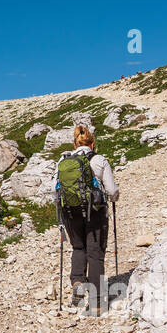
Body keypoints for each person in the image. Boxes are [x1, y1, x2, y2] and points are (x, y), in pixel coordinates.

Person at [56, 126, 119, 312]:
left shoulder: (63, 159)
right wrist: (113, 198)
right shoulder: (99, 160)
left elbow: (55, 189)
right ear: (93, 144)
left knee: (78, 247)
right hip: (95, 212)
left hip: (70, 212)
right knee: (95, 253)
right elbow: (112, 190)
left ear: (74, 144)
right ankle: (97, 303)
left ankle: (77, 281)